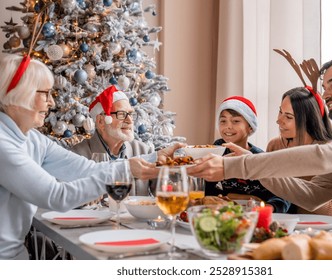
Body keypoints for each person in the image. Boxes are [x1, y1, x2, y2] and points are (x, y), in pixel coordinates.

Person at [188, 54, 332, 234]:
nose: (326, 93)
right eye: (325, 87)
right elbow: (311, 196)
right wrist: (252, 164)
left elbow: (324, 156)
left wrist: (231, 166)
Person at [0, 54, 172, 259]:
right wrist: (127, 170)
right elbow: (57, 196)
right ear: (20, 95)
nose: (52, 102)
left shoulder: (33, 139)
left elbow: (87, 169)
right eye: (45, 93)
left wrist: (154, 158)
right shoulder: (3, 145)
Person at [267, 86, 332, 218]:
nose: (278, 120)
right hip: (284, 226)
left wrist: (294, 187)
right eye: (280, 112)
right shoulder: (275, 146)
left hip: (320, 231)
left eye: (288, 117)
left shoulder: (329, 153)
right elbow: (271, 195)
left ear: (308, 121)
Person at [205, 96, 291, 213]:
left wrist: (267, 208)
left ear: (250, 127)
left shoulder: (259, 157)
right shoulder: (218, 149)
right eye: (223, 121)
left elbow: (283, 195)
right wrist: (238, 197)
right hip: (229, 213)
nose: (228, 126)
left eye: (236, 121)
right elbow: (206, 190)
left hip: (259, 214)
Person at [71, 85, 156, 196]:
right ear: (101, 121)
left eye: (130, 114)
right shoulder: (78, 154)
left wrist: (178, 174)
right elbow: (66, 195)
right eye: (121, 114)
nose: (129, 120)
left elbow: (164, 188)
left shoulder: (144, 151)